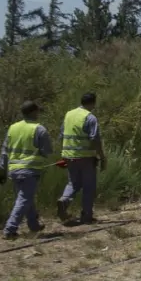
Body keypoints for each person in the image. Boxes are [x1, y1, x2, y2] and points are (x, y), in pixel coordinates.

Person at [0, 100, 53, 239]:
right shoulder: (39, 129)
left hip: (14, 170)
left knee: (26, 198)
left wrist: (2, 171)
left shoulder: (13, 128)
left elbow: (5, 151)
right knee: (24, 199)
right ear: (33, 112)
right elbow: (48, 151)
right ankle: (10, 229)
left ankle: (34, 225)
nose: (39, 113)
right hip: (29, 170)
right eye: (38, 111)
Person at [57, 92, 106, 224]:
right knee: (88, 186)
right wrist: (102, 156)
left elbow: (61, 134)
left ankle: (64, 200)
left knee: (73, 183)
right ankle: (87, 215)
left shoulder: (69, 114)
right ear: (93, 103)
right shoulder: (90, 118)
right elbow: (95, 139)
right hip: (85, 157)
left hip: (68, 156)